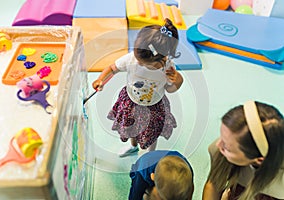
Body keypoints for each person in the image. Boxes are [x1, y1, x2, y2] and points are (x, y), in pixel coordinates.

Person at [92, 18, 183, 157]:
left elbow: (170, 89)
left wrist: (177, 81)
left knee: (152, 133)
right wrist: (100, 79)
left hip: (154, 106)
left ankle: (150, 154)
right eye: (137, 59)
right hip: (131, 102)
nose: (137, 64)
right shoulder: (131, 58)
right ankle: (133, 146)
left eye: (142, 63)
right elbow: (112, 68)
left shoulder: (168, 68)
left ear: (160, 58)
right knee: (131, 128)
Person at [203, 100, 284, 200]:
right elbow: (213, 184)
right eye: (222, 138)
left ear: (259, 160)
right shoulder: (218, 150)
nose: (217, 144)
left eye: (227, 147)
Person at [129, 150, 194, 200]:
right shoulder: (142, 173)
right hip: (141, 170)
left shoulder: (188, 172)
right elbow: (135, 196)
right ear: (153, 177)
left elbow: (190, 191)